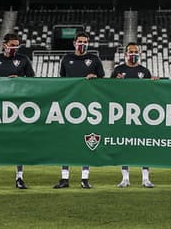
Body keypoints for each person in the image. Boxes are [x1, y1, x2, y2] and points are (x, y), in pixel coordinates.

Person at [0, 33, 35, 189]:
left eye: (16, 45)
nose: (14, 48)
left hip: (17, 106)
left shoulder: (23, 60)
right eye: (12, 45)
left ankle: (19, 177)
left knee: (18, 143)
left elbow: (32, 80)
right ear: (4, 45)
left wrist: (20, 80)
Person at [54, 32, 105, 189]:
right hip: (69, 106)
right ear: (74, 43)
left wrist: (95, 78)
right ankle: (64, 178)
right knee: (66, 143)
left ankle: (84, 178)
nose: (82, 44)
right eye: (80, 41)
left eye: (85, 42)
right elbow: (63, 81)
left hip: (89, 107)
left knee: (87, 142)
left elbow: (103, 82)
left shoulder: (95, 60)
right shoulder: (66, 59)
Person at [110, 42, 158, 188]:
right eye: (130, 52)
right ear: (125, 54)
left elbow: (151, 93)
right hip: (124, 114)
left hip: (141, 114)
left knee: (144, 146)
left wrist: (155, 84)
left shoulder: (145, 71)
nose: (133, 54)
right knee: (125, 146)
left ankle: (145, 178)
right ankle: (125, 178)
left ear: (139, 54)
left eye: (135, 52)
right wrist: (115, 83)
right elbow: (108, 90)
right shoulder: (118, 70)